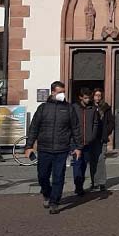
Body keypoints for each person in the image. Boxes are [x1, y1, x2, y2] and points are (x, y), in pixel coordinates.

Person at [25, 81, 82, 214]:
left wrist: (78, 147)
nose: (62, 94)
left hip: (62, 149)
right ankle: (47, 193)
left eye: (63, 92)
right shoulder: (43, 108)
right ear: (53, 92)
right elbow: (34, 127)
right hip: (44, 148)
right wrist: (29, 146)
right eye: (59, 92)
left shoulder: (69, 108)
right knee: (42, 176)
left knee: (58, 177)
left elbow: (76, 128)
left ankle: (54, 202)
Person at [71, 87, 99, 196]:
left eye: (89, 98)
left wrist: (92, 136)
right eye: (86, 98)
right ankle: (78, 186)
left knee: (83, 165)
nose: (88, 100)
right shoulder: (73, 108)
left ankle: (80, 184)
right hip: (75, 142)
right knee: (77, 164)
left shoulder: (92, 109)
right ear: (80, 98)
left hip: (88, 142)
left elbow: (95, 123)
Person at [92, 88, 114, 191]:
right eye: (96, 95)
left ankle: (101, 182)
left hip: (102, 137)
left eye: (99, 95)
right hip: (92, 137)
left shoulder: (106, 107)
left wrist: (107, 131)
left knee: (101, 159)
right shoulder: (89, 107)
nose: (97, 97)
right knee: (93, 160)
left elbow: (111, 122)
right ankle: (94, 181)